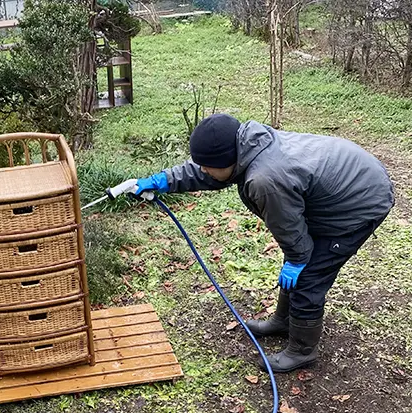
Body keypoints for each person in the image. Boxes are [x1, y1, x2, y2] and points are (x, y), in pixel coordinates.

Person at [131, 113, 395, 373]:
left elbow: (289, 228)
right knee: (298, 256)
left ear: (227, 159)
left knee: (308, 274)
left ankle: (302, 350)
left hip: (361, 200)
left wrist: (298, 259)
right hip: (339, 181)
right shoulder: (246, 146)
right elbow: (208, 171)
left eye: (207, 165)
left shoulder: (265, 179)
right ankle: (284, 321)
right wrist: (161, 181)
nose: (203, 170)